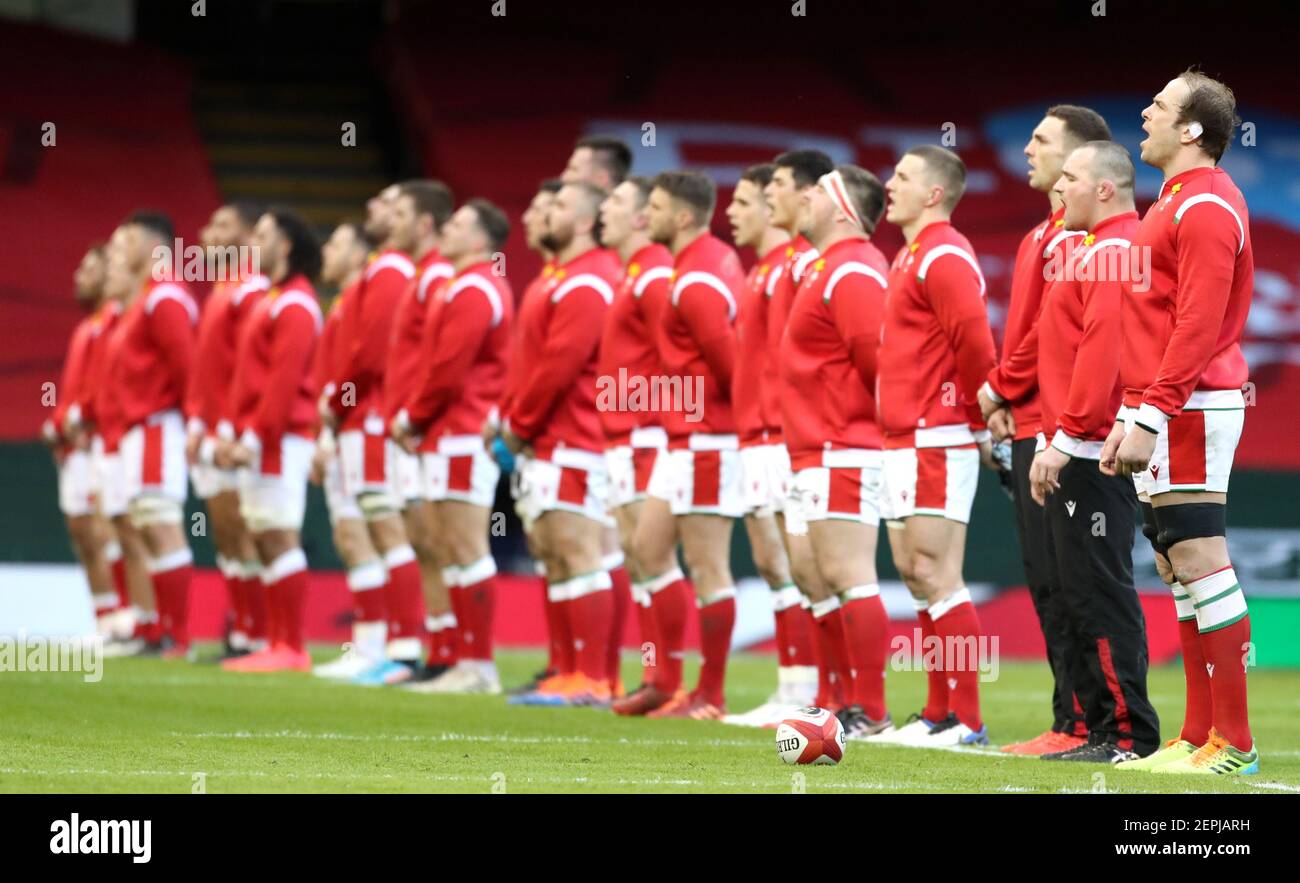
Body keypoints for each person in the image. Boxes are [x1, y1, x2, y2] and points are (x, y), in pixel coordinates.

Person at [1102, 70, 1257, 776]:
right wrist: (1132, 409)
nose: (1145, 112)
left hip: (1191, 404)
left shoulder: (1208, 206)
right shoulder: (1173, 201)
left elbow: (1197, 324)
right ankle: (1196, 736)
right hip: (1167, 403)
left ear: (1191, 129)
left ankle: (1235, 745)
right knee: (1174, 565)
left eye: (1159, 106)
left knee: (1200, 560)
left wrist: (1153, 411)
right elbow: (1157, 321)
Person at [977, 105, 1113, 754]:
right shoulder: (1043, 236)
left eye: (1041, 140)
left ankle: (1098, 722)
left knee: (1077, 580)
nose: (1026, 148)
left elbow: (1041, 339)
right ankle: (1070, 718)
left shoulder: (1079, 242)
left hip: (1067, 428)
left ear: (1078, 158)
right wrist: (1010, 395)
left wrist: (999, 384)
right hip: (1034, 419)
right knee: (1048, 579)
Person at [1024, 141, 1160, 763]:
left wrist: (1067, 438)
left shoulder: (1113, 251)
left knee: (1098, 589)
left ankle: (1128, 735)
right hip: (1077, 443)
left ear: (1104, 188)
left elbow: (1103, 357)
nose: (1060, 187)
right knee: (1077, 589)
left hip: (1093, 451)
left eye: (1071, 178)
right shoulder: (1091, 250)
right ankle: (1100, 729)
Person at [868, 148, 996, 747]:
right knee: (915, 574)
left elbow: (975, 344)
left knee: (936, 572)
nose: (887, 185)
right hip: (901, 436)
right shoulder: (910, 254)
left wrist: (976, 419)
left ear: (935, 194)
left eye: (901, 177)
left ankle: (965, 718)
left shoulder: (944, 254)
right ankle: (936, 711)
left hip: (936, 435)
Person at [618, 171, 747, 720]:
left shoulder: (694, 281)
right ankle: (664, 679)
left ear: (684, 216)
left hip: (707, 440)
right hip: (682, 439)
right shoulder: (698, 264)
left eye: (656, 206)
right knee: (647, 550)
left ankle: (709, 694)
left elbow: (731, 368)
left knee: (708, 567)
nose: (645, 216)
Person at [781, 165, 894, 739]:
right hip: (809, 447)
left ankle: (868, 706)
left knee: (848, 574)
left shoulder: (853, 268)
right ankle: (834, 699)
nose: (805, 197)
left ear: (844, 208)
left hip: (841, 445)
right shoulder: (825, 265)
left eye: (818, 191)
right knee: (815, 575)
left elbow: (878, 363)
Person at [393, 198, 514, 695]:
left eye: (460, 223)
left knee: (466, 548)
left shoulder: (474, 288)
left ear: (481, 240)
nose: (449, 227)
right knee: (451, 549)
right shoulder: (460, 285)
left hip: (461, 432)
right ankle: (463, 657)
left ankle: (478, 664)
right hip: (447, 434)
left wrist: (412, 416)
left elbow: (447, 368)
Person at [721, 162, 817, 727]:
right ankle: (792, 683)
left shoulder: (794, 266)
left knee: (796, 564)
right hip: (755, 433)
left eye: (742, 200)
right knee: (771, 563)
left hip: (782, 434)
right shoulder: (761, 271)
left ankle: (807, 685)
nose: (731, 212)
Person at [219, 209, 323, 673]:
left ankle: (291, 645)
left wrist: (256, 437)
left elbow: (283, 380)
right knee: (263, 536)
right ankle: (276, 640)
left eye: (261, 235)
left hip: (280, 440)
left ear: (285, 247)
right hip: (263, 437)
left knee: (278, 535)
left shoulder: (296, 305)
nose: (251, 243)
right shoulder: (274, 299)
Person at [593, 176, 675, 699]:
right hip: (622, 436)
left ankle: (666, 679)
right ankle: (651, 676)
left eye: (618, 201)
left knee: (653, 555)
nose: (605, 209)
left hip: (647, 435)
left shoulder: (655, 277)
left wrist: (657, 419)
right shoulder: (632, 275)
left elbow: (678, 356)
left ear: (643, 217)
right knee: (635, 554)